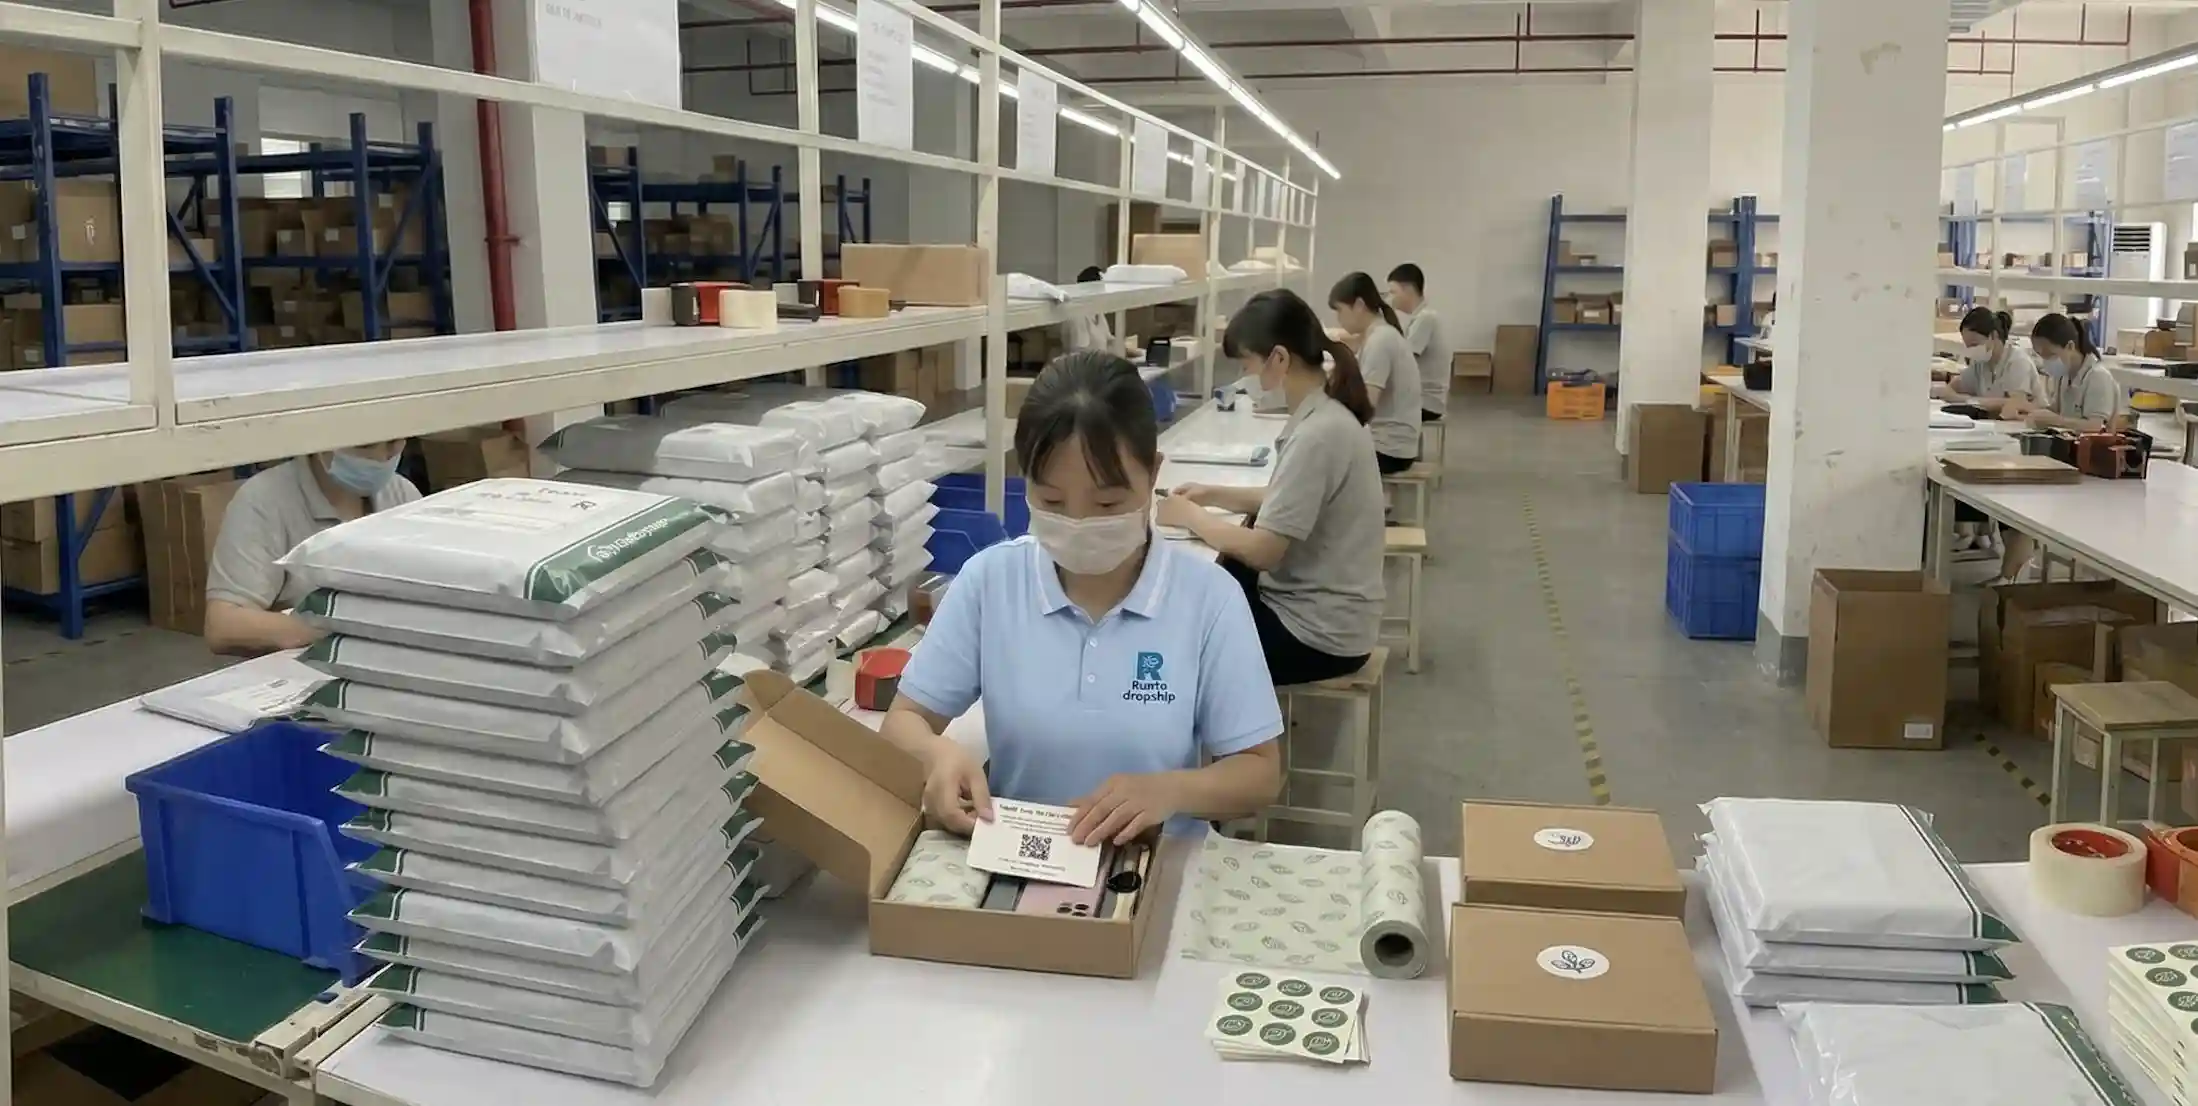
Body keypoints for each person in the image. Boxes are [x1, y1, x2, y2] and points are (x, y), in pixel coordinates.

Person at [883, 351, 1283, 846]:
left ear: (1154, 472)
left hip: (1153, 871)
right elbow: (904, 721)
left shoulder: (1207, 598)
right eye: (1051, 501)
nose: (1079, 522)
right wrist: (937, 757)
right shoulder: (990, 582)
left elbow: (1260, 772)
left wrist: (1171, 790)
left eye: (1108, 503)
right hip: (1021, 863)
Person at [1161, 289, 1384, 687]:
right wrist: (1213, 494)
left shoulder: (1318, 433)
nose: (1244, 378)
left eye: (1247, 364)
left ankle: (1221, 744)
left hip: (1316, 636)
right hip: (1330, 615)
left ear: (1279, 358)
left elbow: (1264, 551)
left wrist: (1191, 516)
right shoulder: (1326, 413)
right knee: (1212, 580)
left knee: (1179, 635)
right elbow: (1290, 500)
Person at [203, 442, 420, 656]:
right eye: (365, 446)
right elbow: (224, 625)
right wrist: (347, 626)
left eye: (393, 443)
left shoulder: (402, 496)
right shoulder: (264, 501)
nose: (382, 458)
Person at [1329, 271, 1419, 475]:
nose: (1339, 319)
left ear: (1359, 305)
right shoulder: (1378, 334)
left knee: (1316, 458)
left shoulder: (1381, 340)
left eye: (1340, 311)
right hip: (1392, 443)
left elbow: (1365, 407)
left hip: (1389, 450)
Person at [2004, 313, 2128, 433]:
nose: (2046, 361)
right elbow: (2055, 411)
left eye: (2051, 354)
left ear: (2070, 346)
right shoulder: (2064, 375)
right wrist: (2027, 410)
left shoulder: (2097, 376)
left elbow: (2095, 426)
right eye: (2041, 355)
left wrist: (2056, 421)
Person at [1935, 307, 2036, 416]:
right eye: (1968, 346)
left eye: (1974, 344)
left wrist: (1969, 401)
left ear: (1993, 335)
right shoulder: (1981, 363)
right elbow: (1951, 389)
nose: (1972, 351)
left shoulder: (2017, 362)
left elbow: (2017, 404)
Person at [1386, 263, 1451, 423]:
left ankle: (1388, 448)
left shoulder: (1425, 319)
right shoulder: (1420, 318)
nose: (1390, 298)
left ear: (1408, 290)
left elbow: (1403, 362)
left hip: (1426, 403)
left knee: (1368, 410)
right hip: (1422, 399)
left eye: (1393, 292)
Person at [1065, 265, 1116, 354]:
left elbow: (1109, 340)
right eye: (1102, 288)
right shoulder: (1078, 316)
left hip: (1100, 363)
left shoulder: (1098, 311)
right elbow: (1079, 354)